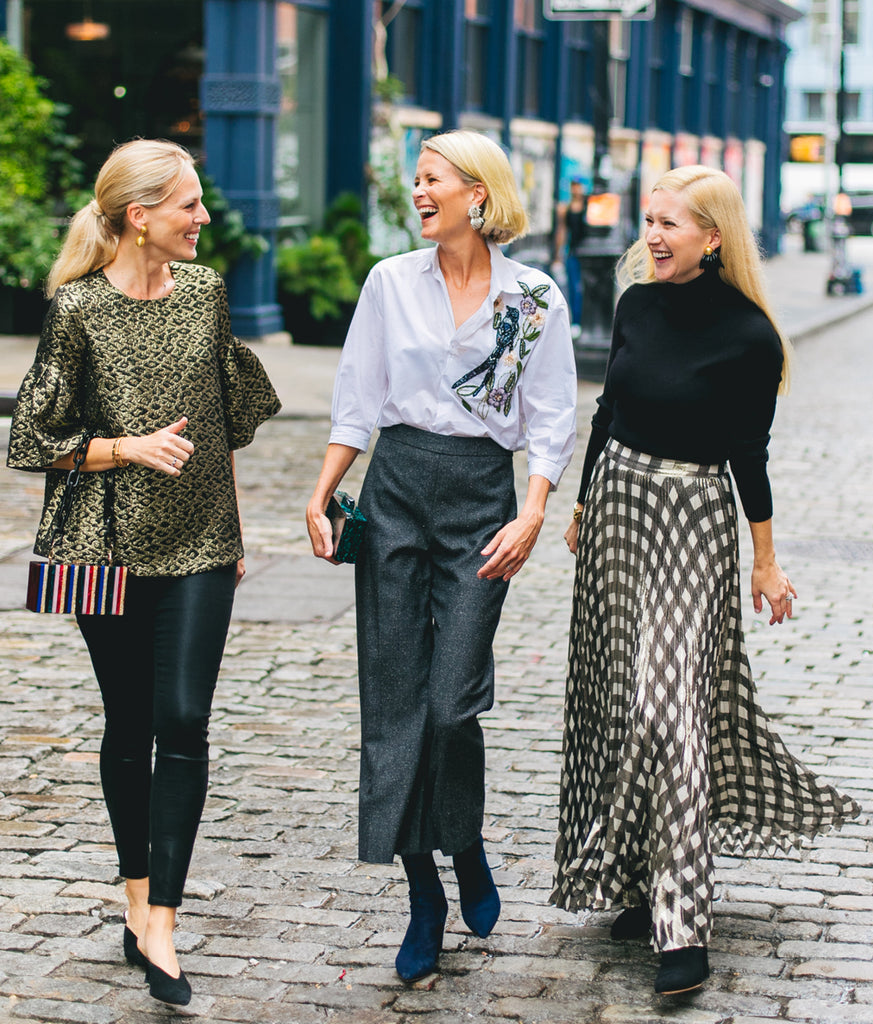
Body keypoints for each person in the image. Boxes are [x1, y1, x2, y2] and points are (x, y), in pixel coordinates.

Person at [551, 166, 860, 996]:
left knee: (668, 705)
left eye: (669, 225)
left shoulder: (750, 335)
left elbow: (748, 452)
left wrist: (765, 557)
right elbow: (609, 411)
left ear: (713, 237)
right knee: (621, 696)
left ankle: (682, 922)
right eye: (649, 222)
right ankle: (633, 877)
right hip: (617, 507)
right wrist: (583, 502)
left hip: (693, 518)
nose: (652, 237)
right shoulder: (636, 306)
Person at [6, 140, 280, 1006]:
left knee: (184, 717)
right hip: (109, 544)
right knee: (129, 726)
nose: (204, 218)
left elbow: (230, 420)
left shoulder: (205, 296)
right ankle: (133, 899)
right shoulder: (77, 310)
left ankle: (162, 919)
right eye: (189, 205)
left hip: (200, 541)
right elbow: (31, 437)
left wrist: (234, 533)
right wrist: (128, 447)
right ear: (141, 217)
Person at [306, 129, 576, 983]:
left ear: (478, 195)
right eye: (415, 180)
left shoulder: (533, 298)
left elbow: (552, 415)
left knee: (451, 702)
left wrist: (532, 513)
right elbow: (358, 395)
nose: (417, 192)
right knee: (394, 698)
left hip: (480, 499)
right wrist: (322, 492)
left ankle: (464, 841)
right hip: (396, 492)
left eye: (432, 179)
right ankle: (426, 891)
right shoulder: (390, 282)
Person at [551, 177, 588, 332]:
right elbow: (562, 232)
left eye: (578, 186)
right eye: (574, 186)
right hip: (574, 252)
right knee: (574, 286)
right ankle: (576, 321)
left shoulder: (590, 206)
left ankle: (583, 319)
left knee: (586, 286)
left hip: (588, 252)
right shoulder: (566, 209)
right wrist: (558, 255)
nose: (576, 190)